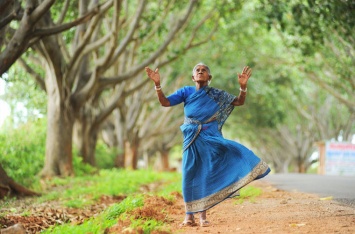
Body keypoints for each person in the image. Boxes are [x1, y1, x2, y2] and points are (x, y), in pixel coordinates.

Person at [145, 63, 270, 227]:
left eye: (204, 70)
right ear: (193, 77)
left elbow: (239, 102)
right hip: (191, 138)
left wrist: (243, 87)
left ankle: (203, 216)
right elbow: (165, 102)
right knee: (189, 174)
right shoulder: (186, 92)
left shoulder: (217, 94)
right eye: (197, 70)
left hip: (211, 137)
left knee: (205, 173)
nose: (200, 71)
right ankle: (188, 216)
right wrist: (157, 84)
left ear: (209, 77)